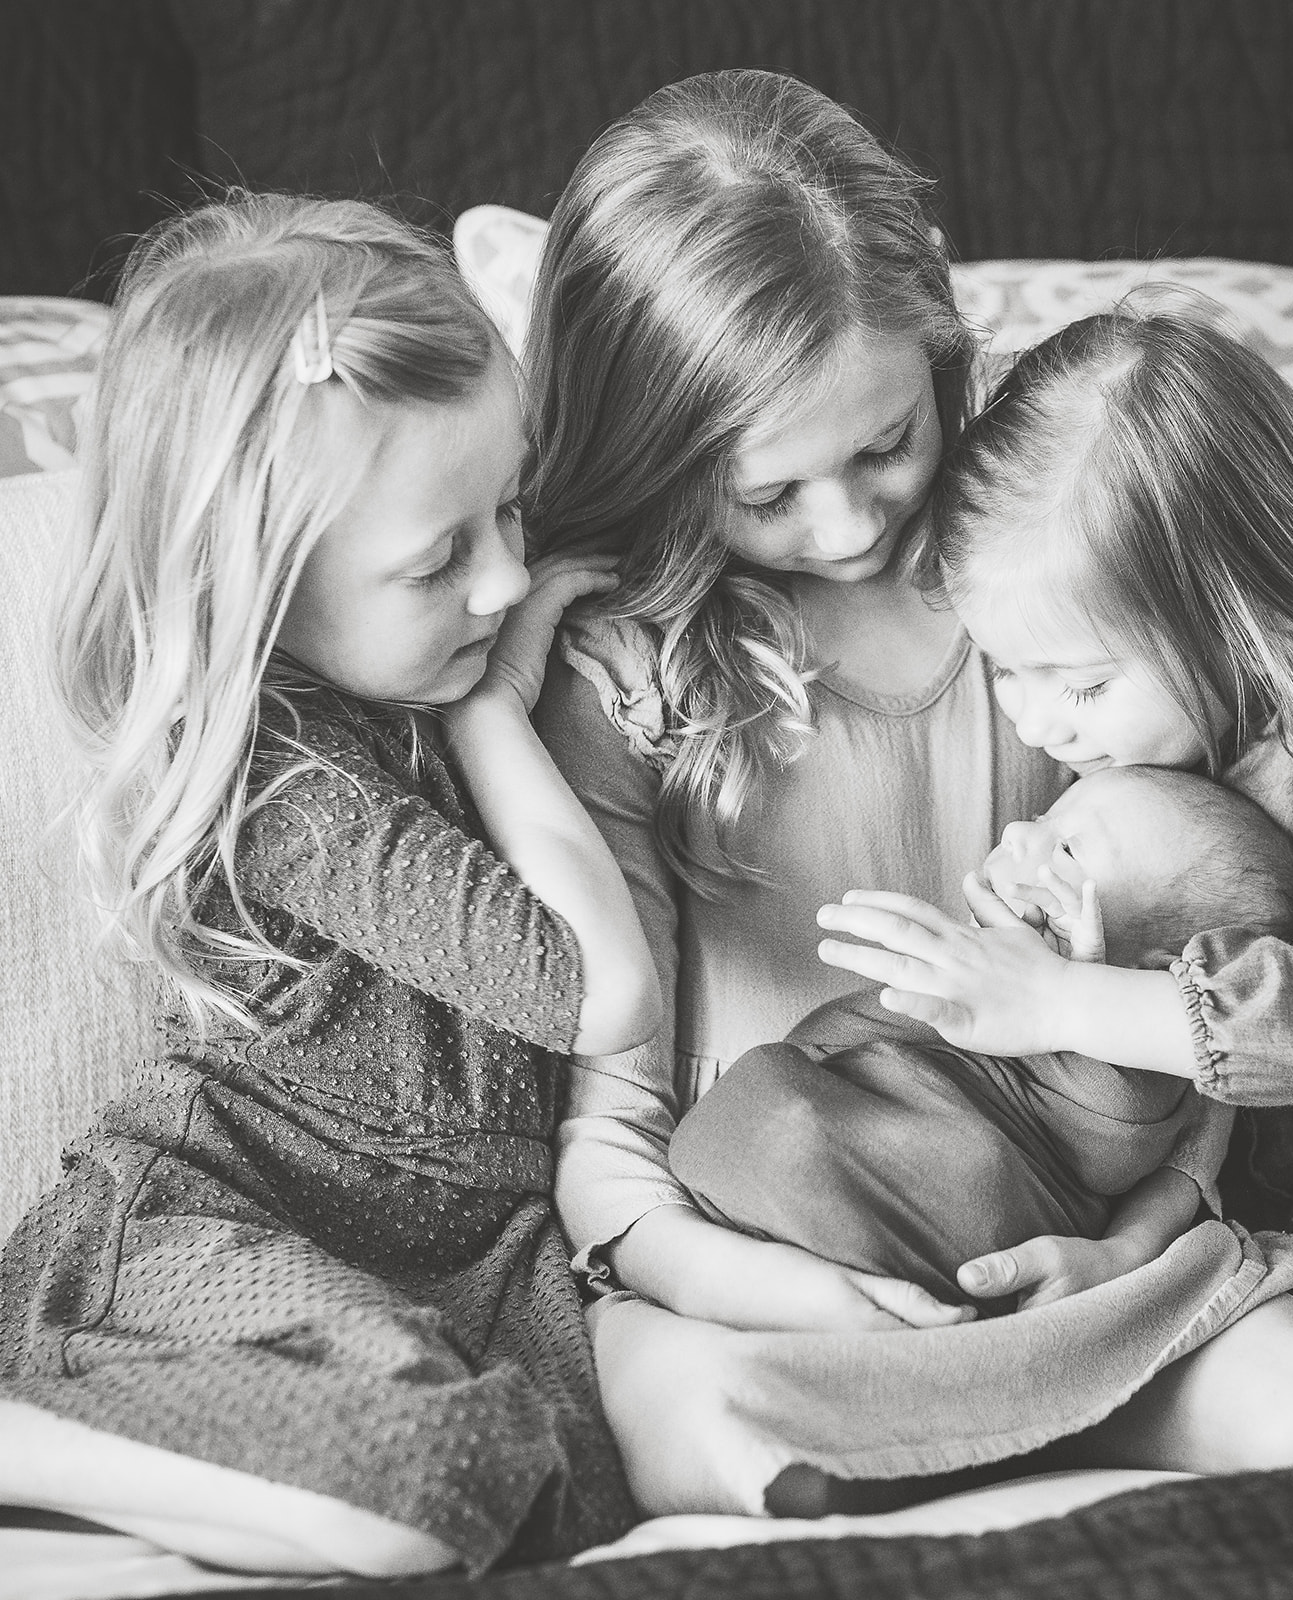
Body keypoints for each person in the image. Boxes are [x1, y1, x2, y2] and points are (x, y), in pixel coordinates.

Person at [527, 68, 1293, 1510]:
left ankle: (999, 1413)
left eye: (887, 443)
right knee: (697, 1411)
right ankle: (876, 1428)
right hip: (772, 1247)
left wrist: (1137, 1240)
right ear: (651, 455)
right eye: (766, 492)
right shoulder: (632, 676)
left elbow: (1210, 954)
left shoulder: (1043, 595)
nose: (848, 521)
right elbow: (609, 1103)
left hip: (1072, 1229)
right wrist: (742, 1278)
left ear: (940, 355)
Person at [816, 289, 1293, 1455]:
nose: (1041, 729)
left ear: (1236, 613)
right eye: (1008, 675)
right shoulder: (1153, 762)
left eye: (1078, 683)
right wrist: (1135, 1245)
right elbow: (1205, 1088)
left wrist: (1058, 1001)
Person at [0, 193, 660, 1577]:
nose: (507, 581)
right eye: (440, 560)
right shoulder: (294, 789)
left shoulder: (420, 658)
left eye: (511, 507)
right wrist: (497, 717)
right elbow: (601, 996)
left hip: (460, 1265)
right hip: (206, 1238)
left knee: (553, 1496)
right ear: (256, 586)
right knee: (436, 1477)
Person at [668, 765, 1293, 1312]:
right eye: (1045, 816)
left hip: (970, 1197)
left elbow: (1115, 1146)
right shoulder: (995, 960)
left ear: (1151, 970)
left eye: (1067, 849)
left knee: (793, 1132)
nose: (1017, 830)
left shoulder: (1135, 1068)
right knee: (773, 1109)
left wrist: (1077, 987)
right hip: (835, 1142)